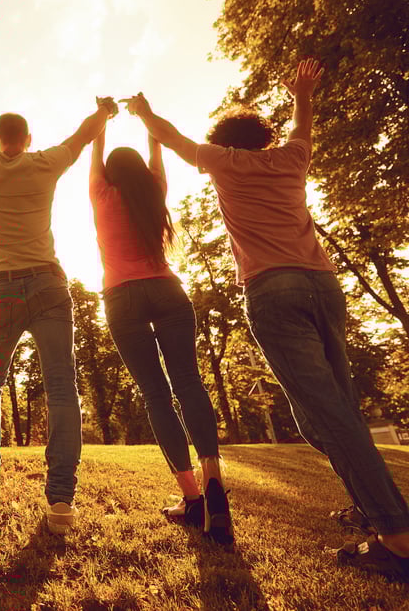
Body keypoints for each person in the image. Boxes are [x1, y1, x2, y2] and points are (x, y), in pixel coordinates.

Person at [124, 59, 409, 579]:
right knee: (323, 413)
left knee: (331, 414)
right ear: (265, 136)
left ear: (226, 140)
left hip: (273, 292)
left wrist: (143, 112)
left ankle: (396, 535)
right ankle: (372, 508)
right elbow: (302, 128)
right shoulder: (292, 158)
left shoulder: (223, 161)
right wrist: (302, 93)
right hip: (323, 287)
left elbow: (171, 136)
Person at [0, 72, 115, 533]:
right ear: (27, 138)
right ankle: (60, 503)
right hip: (48, 286)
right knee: (62, 388)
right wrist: (103, 111)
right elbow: (80, 138)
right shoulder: (43, 163)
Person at [88, 112, 233, 544]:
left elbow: (94, 154)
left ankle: (192, 500)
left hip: (121, 296)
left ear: (112, 173)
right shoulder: (154, 191)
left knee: (156, 394)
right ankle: (213, 477)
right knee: (189, 382)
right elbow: (156, 152)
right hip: (167, 289)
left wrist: (103, 119)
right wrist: (145, 118)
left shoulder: (100, 193)